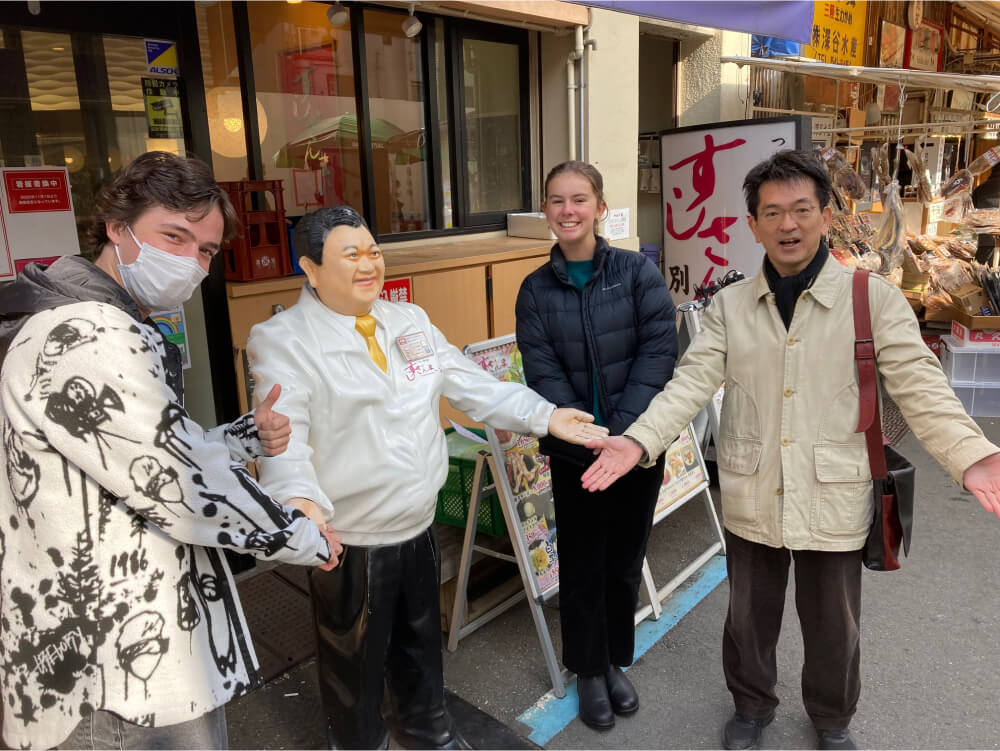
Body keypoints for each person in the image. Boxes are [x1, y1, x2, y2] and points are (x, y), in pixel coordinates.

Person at [581, 149, 1000, 751]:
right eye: (772, 213)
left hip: (834, 492)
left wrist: (971, 453)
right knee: (748, 621)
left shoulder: (871, 299)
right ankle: (751, 707)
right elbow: (689, 385)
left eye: (802, 209)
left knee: (834, 627)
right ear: (751, 224)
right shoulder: (728, 307)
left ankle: (831, 720)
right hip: (753, 491)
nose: (788, 225)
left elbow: (921, 386)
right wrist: (638, 440)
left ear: (825, 216)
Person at [0, 151, 341, 750]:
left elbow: (139, 459)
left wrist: (244, 438)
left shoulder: (85, 314)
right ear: (116, 227)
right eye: (173, 236)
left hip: (99, 633)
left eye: (206, 250)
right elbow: (179, 489)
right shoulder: (91, 334)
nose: (190, 262)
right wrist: (301, 534)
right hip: (117, 656)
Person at [245, 205, 607, 750]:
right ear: (310, 268)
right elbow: (283, 432)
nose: (369, 265)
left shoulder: (407, 322)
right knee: (355, 663)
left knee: (419, 646)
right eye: (351, 255)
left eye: (373, 252)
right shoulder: (282, 340)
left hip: (417, 524)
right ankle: (360, 743)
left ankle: (427, 728)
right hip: (350, 540)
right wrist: (298, 501)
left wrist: (545, 416)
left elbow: (471, 384)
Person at [514, 160, 677, 730]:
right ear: (546, 212)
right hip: (575, 455)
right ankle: (587, 669)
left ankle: (614, 660)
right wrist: (587, 436)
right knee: (583, 565)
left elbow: (659, 354)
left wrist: (626, 436)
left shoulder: (636, 274)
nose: (568, 211)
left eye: (579, 199)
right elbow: (542, 371)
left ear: (600, 207)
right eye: (556, 201)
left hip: (636, 449)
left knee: (624, 561)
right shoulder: (535, 290)